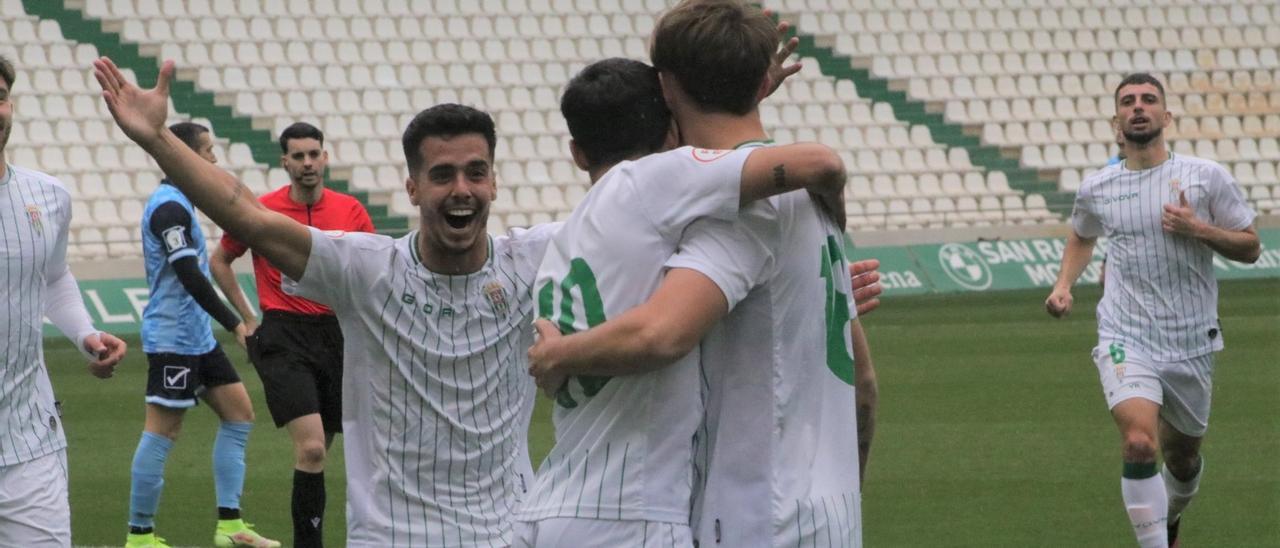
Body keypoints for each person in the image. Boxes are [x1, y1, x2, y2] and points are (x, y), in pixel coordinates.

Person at [513, 30, 861, 545]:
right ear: (668, 122)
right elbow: (821, 163)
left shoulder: (574, 233)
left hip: (556, 498)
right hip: (634, 514)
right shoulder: (661, 181)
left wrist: (742, 90)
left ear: (579, 153)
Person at [1045, 73, 1260, 548]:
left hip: (1191, 340)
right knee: (1140, 443)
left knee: (1182, 461)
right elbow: (1081, 234)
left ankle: (1170, 516)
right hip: (1126, 335)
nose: (1138, 107)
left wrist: (1199, 229)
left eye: (1148, 100)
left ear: (1167, 116)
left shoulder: (1206, 177)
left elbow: (1250, 247)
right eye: (1128, 101)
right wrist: (1064, 285)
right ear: (1116, 122)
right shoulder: (1098, 187)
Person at [209, 122, 374, 548]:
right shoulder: (263, 210)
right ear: (285, 162)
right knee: (312, 448)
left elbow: (371, 272)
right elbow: (219, 260)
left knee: (319, 452)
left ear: (325, 158)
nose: (307, 163)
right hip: (283, 335)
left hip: (336, 335)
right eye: (298, 156)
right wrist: (247, 319)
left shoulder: (350, 211)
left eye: (313, 154)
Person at [125, 121, 278, 548]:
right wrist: (236, 323)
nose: (213, 158)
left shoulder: (183, 204)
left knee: (239, 414)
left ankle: (230, 526)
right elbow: (190, 275)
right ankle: (139, 537)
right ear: (186, 156)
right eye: (207, 150)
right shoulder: (169, 209)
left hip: (196, 336)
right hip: (173, 338)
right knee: (163, 430)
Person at [0, 53, 128, 548]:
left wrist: (85, 334)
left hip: (29, 439)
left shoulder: (49, 196)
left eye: (0, 97)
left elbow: (53, 277)